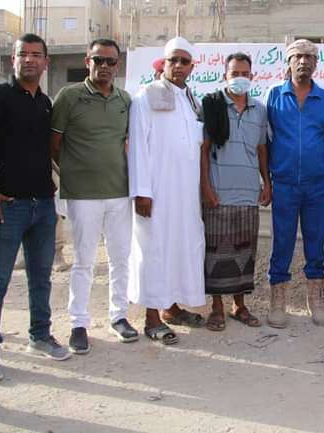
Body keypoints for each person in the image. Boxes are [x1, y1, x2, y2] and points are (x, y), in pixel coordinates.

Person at [0, 33, 71, 383]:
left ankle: (40, 335)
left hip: (43, 205)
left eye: (36, 54)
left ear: (46, 62)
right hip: (7, 204)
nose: (30, 60)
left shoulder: (45, 103)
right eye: (24, 54)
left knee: (41, 276)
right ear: (13, 60)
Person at [49, 38, 137, 354]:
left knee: (120, 258)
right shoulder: (69, 96)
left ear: (117, 65)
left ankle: (119, 316)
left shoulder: (124, 100)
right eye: (98, 60)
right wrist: (75, 172)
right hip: (83, 195)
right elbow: (53, 144)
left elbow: (129, 143)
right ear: (87, 61)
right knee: (84, 261)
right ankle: (78, 323)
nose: (104, 66)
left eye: (111, 61)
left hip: (119, 193)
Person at [127, 37, 206, 345]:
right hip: (156, 191)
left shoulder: (192, 100)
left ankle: (171, 308)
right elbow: (137, 147)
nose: (178, 66)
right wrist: (141, 192)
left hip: (185, 194)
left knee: (180, 247)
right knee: (154, 250)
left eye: (185, 61)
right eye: (173, 60)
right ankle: (151, 318)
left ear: (192, 67)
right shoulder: (146, 96)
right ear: (164, 63)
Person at [264, 39, 324, 328]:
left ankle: (315, 299)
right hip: (284, 183)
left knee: (316, 243)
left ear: (316, 63)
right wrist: (268, 179)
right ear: (288, 62)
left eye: (308, 57)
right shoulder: (274, 95)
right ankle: (278, 301)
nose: (303, 61)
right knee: (282, 241)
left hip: (317, 185)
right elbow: (267, 139)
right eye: (297, 57)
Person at [200, 52, 270, 331]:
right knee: (216, 253)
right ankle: (216, 307)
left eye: (244, 73)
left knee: (245, 252)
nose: (240, 78)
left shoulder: (260, 110)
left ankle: (239, 305)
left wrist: (267, 184)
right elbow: (203, 151)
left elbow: (262, 150)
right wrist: (206, 188)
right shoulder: (211, 106)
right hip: (218, 193)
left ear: (252, 76)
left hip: (248, 193)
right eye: (234, 74)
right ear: (224, 76)